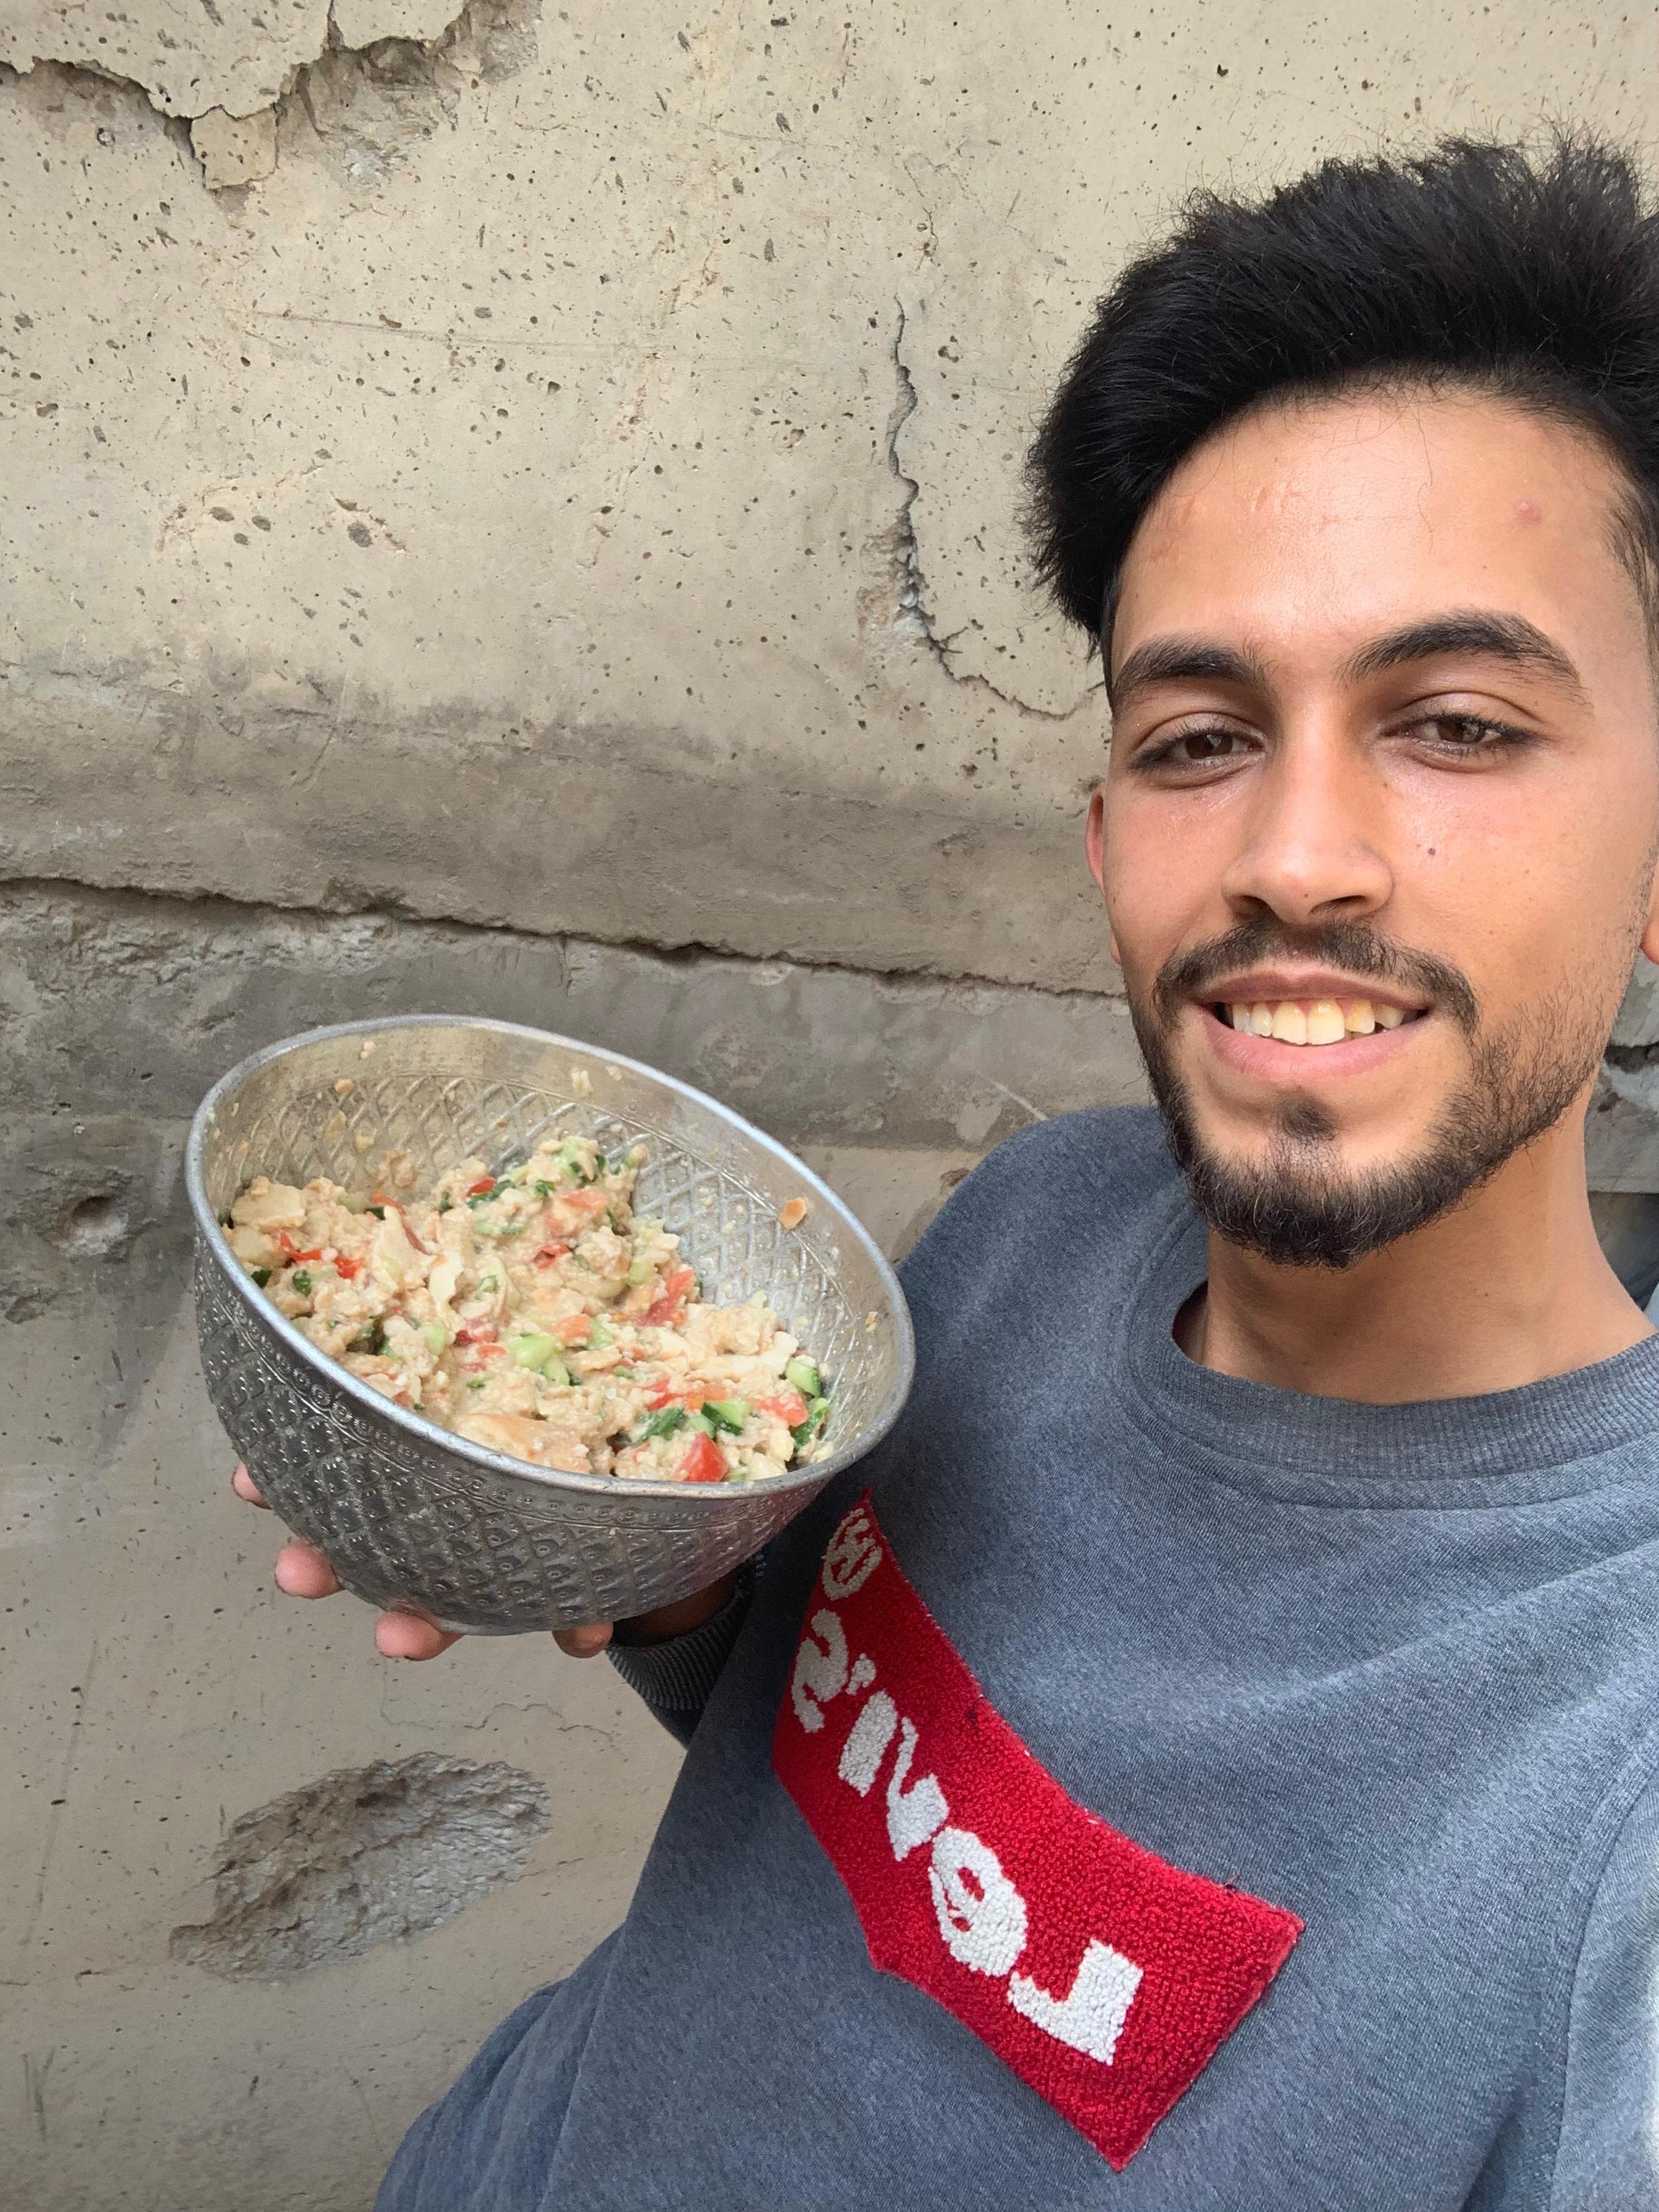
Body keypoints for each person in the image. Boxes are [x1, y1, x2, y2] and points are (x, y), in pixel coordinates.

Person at [236, 135, 1659, 2207]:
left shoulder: (1606, 1779)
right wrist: (640, 1551)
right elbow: (853, 1821)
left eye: (1450, 723)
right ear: (1103, 842)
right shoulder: (1032, 1226)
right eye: (1195, 738)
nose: (1290, 854)